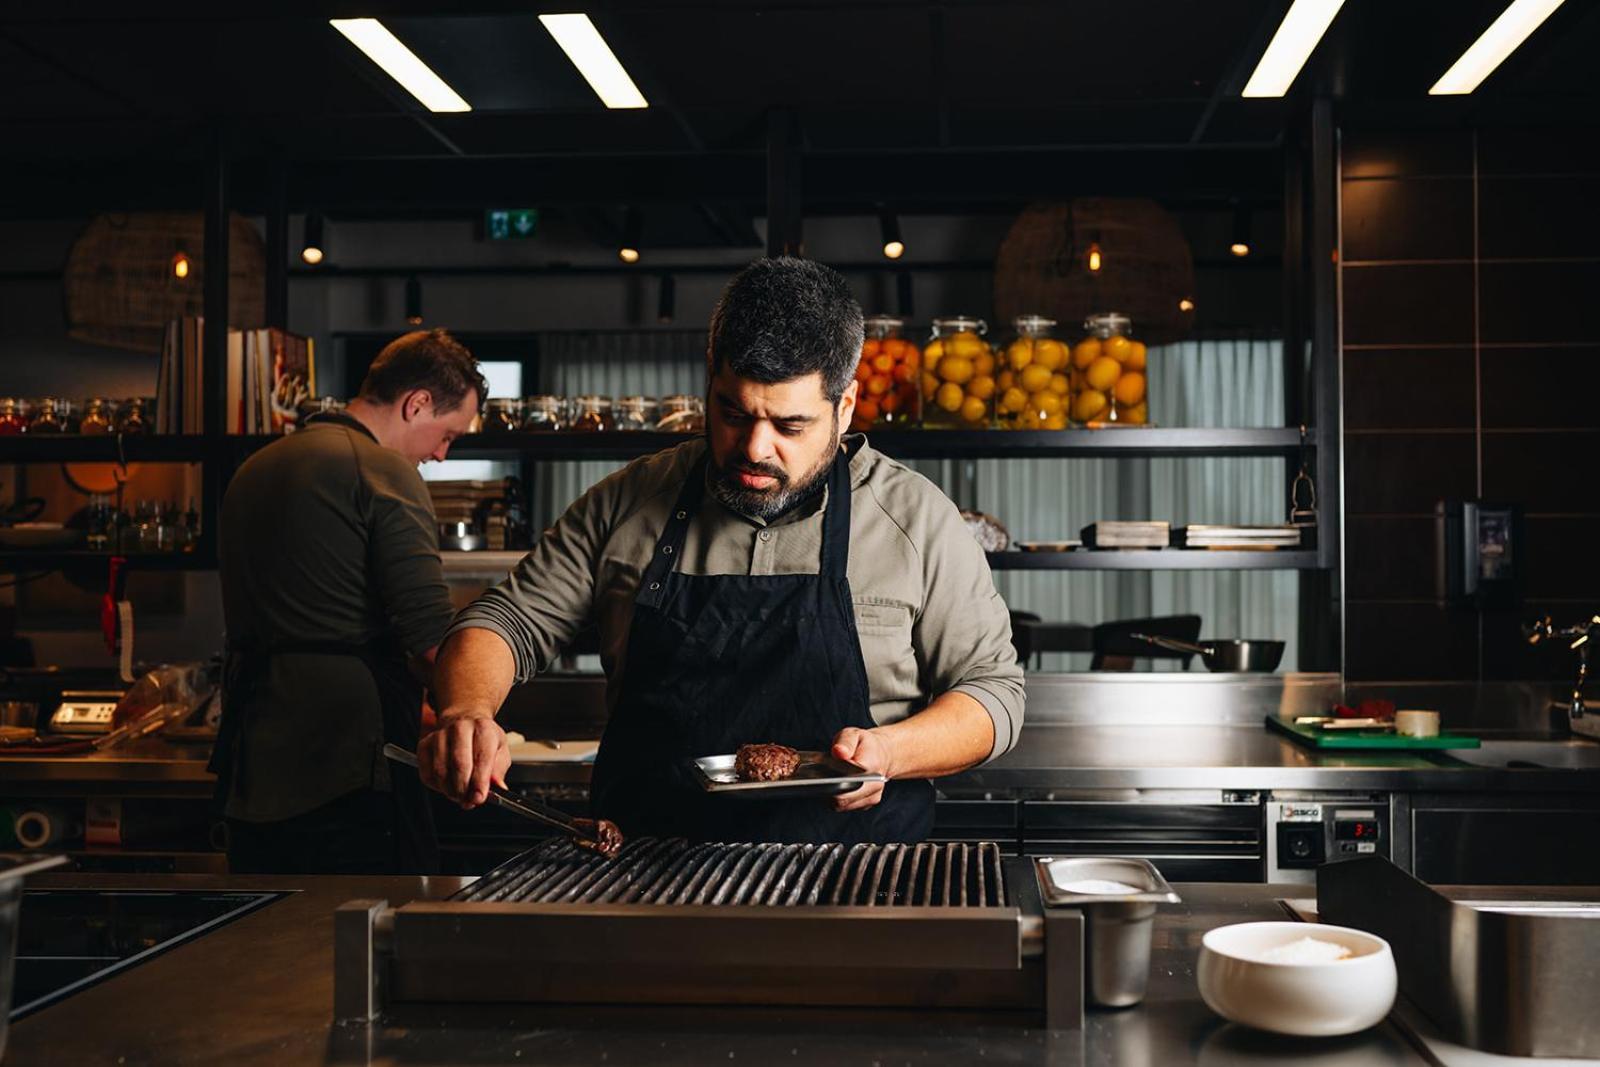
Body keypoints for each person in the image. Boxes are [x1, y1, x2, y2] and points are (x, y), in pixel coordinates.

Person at [422, 257, 1024, 844]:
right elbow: (504, 621)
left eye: (789, 426)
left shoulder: (914, 518)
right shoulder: (631, 500)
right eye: (733, 412)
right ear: (710, 374)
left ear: (844, 408)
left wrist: (891, 752)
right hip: (647, 876)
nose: (754, 447)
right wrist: (465, 711)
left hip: (858, 882)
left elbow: (993, 694)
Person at [211, 328, 486, 873]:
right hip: (345, 761)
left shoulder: (255, 467)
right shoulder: (383, 472)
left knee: (270, 941)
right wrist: (475, 711)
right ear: (418, 403)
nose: (440, 452)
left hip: (253, 754)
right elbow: (432, 643)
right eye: (448, 434)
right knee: (369, 937)